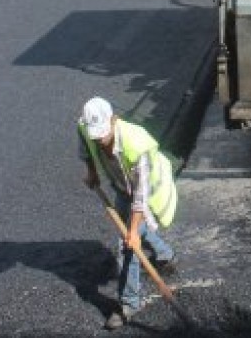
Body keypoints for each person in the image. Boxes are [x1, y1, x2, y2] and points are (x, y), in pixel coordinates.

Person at [77, 97, 179, 330]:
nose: (100, 141)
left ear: (114, 120)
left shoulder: (137, 144)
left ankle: (128, 304)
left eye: (103, 135)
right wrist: (92, 171)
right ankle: (165, 255)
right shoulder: (86, 127)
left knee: (128, 245)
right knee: (134, 233)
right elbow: (86, 145)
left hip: (150, 190)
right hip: (122, 186)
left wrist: (131, 233)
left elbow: (140, 200)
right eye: (96, 136)